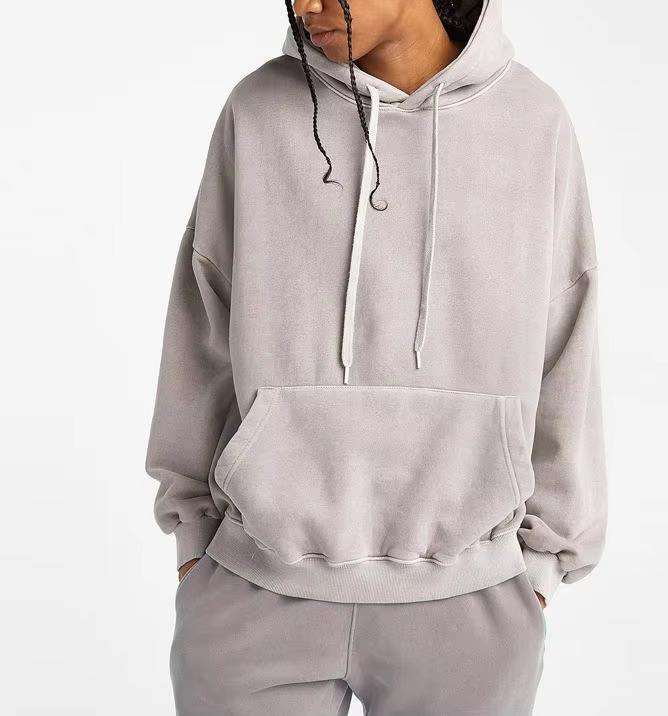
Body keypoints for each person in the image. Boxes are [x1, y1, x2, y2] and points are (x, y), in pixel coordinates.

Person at [146, 1, 607, 713]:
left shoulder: (532, 121)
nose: (305, 6)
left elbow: (566, 340)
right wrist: (192, 538)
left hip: (469, 598)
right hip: (252, 584)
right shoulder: (259, 111)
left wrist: (545, 562)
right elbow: (202, 320)